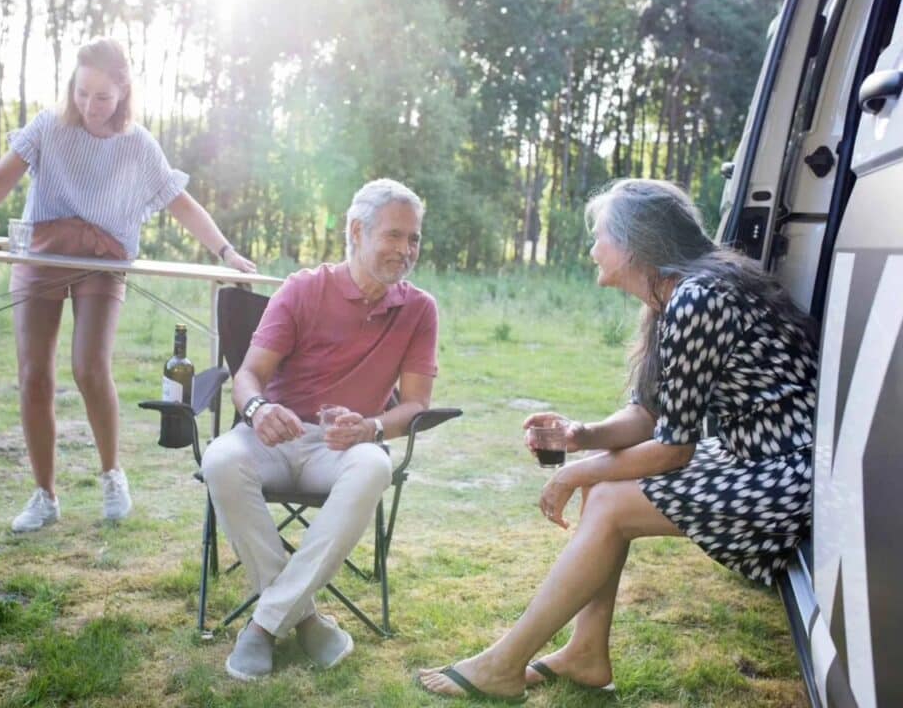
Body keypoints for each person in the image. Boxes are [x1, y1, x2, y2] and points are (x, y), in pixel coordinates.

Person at [419, 178, 817, 703]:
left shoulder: (699, 299)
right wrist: (580, 436)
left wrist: (574, 470)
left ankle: (504, 663)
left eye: (599, 236)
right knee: (605, 487)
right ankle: (585, 654)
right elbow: (650, 415)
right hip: (758, 456)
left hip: (790, 473)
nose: (592, 250)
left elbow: (676, 448)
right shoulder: (674, 296)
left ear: (634, 244)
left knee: (606, 496)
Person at [0, 38, 256, 533]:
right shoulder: (48, 127)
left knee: (89, 367)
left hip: (104, 260)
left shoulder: (138, 144)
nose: (90, 106)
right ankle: (44, 494)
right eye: (82, 93)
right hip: (44, 253)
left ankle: (111, 474)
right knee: (34, 374)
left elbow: (180, 203)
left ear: (123, 93)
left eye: (102, 97)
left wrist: (227, 253)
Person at [200, 178, 438, 681]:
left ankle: (262, 627)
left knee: (374, 465)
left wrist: (372, 425)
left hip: (342, 447)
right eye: (394, 235)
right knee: (220, 459)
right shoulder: (304, 289)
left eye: (413, 238)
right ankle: (305, 620)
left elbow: (416, 403)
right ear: (356, 231)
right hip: (275, 435)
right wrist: (260, 411)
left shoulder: (419, 309)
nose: (406, 249)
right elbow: (248, 376)